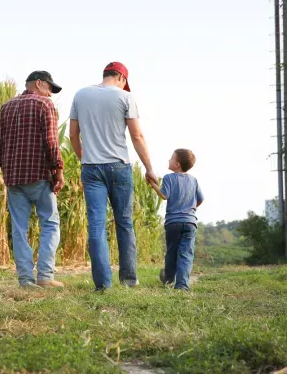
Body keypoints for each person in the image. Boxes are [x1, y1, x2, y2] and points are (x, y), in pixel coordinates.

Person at [69, 62, 156, 291]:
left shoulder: (81, 95)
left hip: (91, 168)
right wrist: (149, 168)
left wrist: (84, 158)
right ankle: (128, 280)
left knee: (96, 226)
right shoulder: (125, 98)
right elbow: (137, 136)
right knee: (124, 223)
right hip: (119, 166)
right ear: (121, 77)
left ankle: (103, 284)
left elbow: (73, 136)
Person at [0, 70, 65, 289]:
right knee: (50, 224)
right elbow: (52, 142)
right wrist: (58, 170)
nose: (51, 94)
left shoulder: (5, 107)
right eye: (49, 89)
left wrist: (3, 166)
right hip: (38, 175)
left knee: (19, 228)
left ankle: (25, 279)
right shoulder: (44, 105)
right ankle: (45, 275)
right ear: (39, 84)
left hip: (14, 177)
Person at [150, 149, 204, 291]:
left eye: (171, 158)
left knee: (172, 252)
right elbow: (200, 199)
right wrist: (190, 210)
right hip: (190, 222)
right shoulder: (193, 180)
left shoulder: (169, 178)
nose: (169, 160)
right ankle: (182, 285)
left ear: (177, 165)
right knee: (186, 254)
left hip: (173, 222)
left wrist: (153, 184)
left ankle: (168, 279)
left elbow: (164, 195)